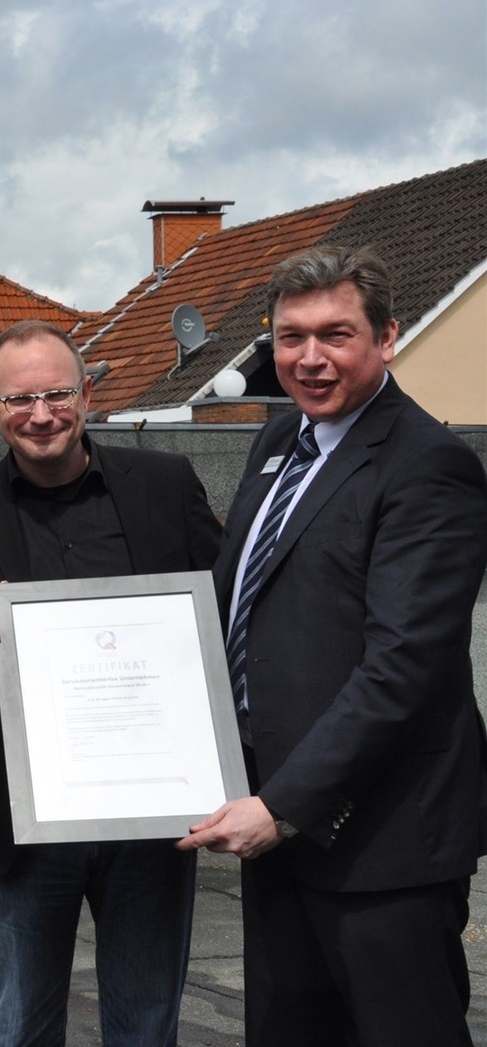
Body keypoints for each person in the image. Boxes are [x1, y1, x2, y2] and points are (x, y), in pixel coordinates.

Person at [179, 247, 487, 1044]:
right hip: (280, 828)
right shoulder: (278, 445)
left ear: (386, 337)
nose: (309, 359)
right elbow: (236, 602)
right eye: (290, 337)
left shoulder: (430, 467)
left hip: (380, 841)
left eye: (335, 335)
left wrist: (283, 806)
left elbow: (403, 668)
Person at [0, 319, 221, 1044]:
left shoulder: (164, 484)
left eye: (57, 393)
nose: (41, 414)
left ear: (87, 394)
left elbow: (222, 613)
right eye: (20, 399)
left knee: (147, 1024)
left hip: (153, 814)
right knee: (23, 1024)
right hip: (30, 819)